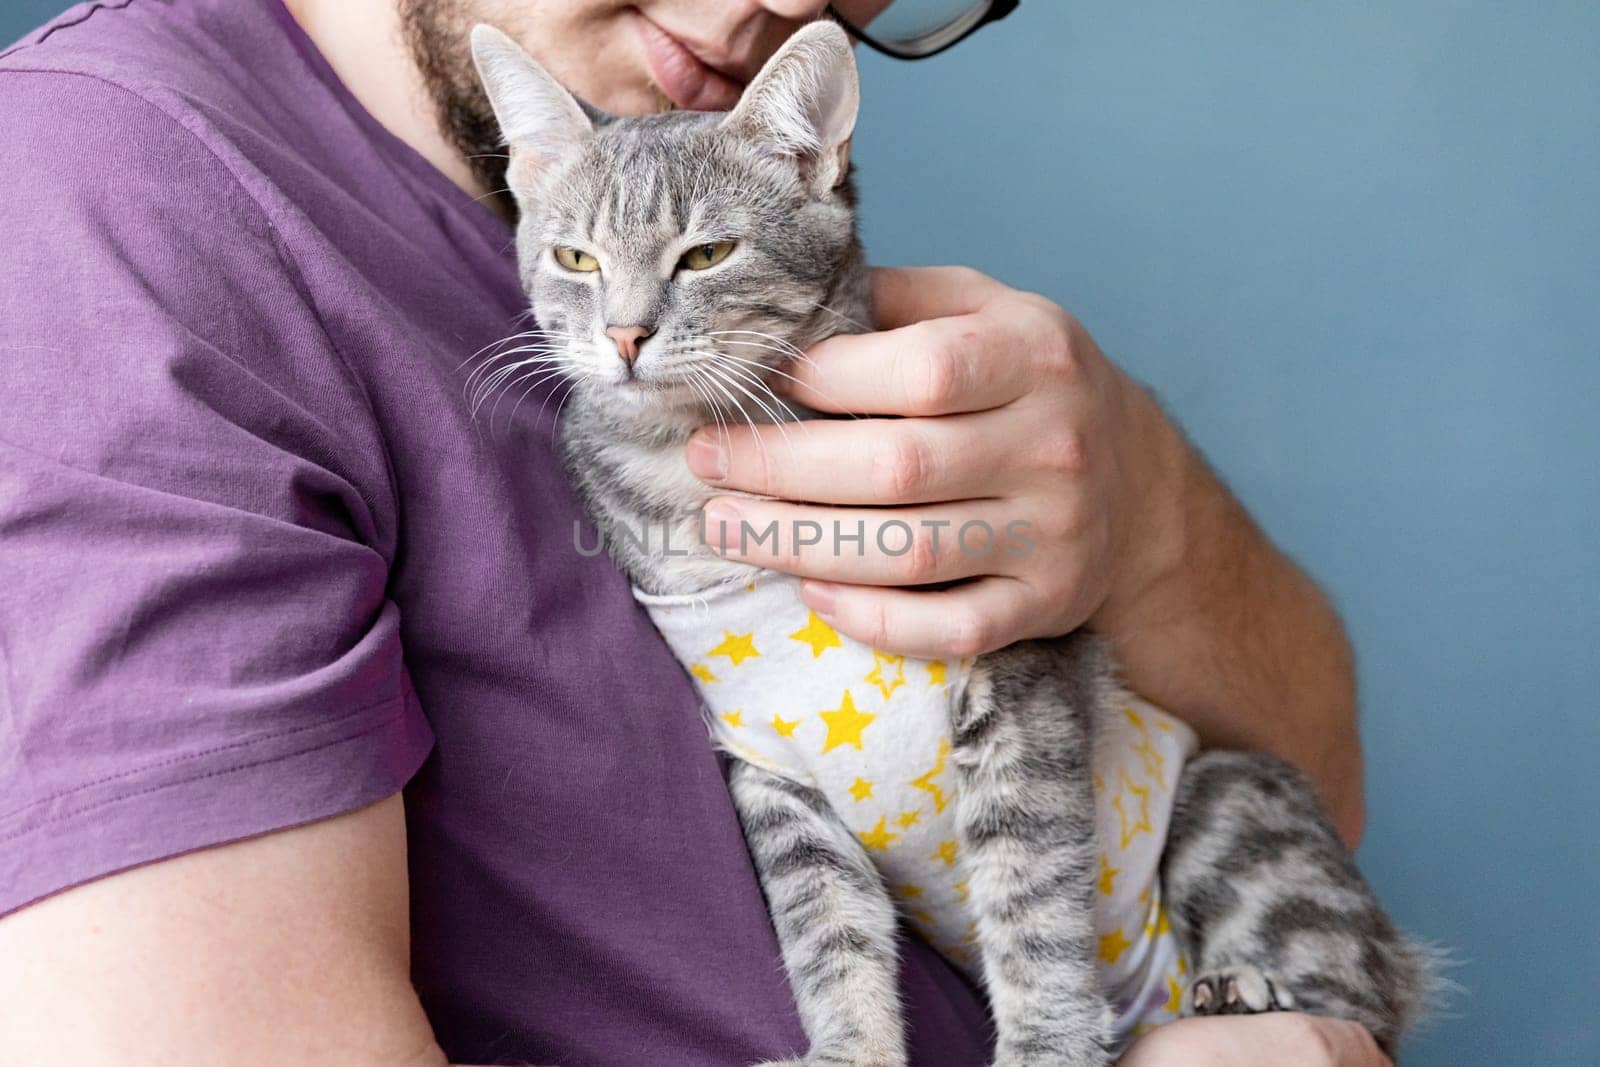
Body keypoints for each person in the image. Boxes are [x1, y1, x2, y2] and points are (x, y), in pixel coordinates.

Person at [0, 1, 1385, 1064]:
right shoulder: (107, 209)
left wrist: (1145, 519)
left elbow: (1328, 792)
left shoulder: (741, 263)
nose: (778, 10)